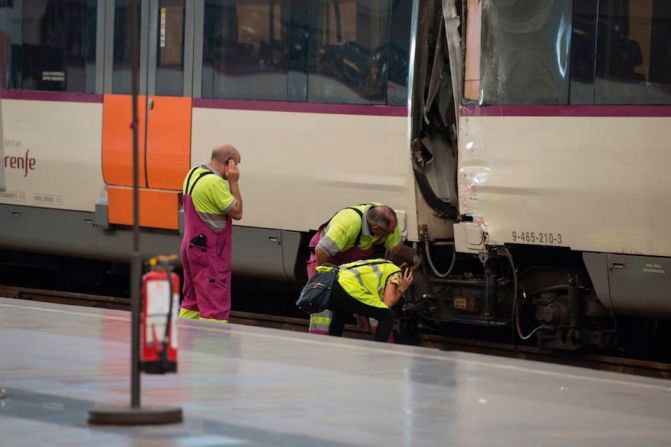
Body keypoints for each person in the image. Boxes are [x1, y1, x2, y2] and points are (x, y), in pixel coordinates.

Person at [307, 203, 403, 335]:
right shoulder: (347, 224)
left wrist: (361, 309)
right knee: (324, 302)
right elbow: (321, 251)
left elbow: (395, 253)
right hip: (327, 260)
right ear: (375, 228)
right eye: (389, 233)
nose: (392, 234)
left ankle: (382, 345)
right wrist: (327, 280)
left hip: (352, 266)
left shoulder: (388, 222)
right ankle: (320, 341)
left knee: (376, 298)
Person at [179, 144, 243, 322]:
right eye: (235, 164)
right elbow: (237, 212)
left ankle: (186, 340)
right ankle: (212, 346)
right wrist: (233, 182)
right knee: (214, 306)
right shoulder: (214, 183)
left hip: (190, 247)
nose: (236, 169)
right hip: (210, 252)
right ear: (228, 162)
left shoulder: (193, 173)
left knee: (191, 302)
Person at [320, 244, 418, 342]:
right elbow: (388, 303)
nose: (411, 274)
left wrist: (361, 315)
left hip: (331, 282)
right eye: (412, 270)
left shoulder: (379, 263)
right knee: (388, 316)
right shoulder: (394, 270)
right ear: (405, 266)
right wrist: (402, 288)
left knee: (340, 310)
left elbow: (364, 292)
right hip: (345, 288)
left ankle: (331, 343)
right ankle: (378, 351)